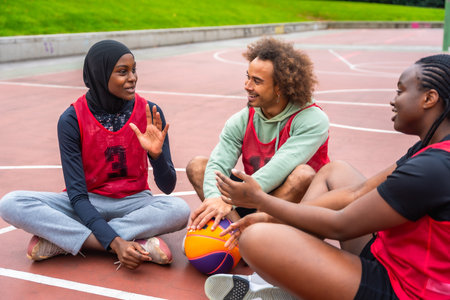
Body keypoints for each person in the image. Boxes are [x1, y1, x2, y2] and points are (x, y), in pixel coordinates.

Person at [206, 54, 450, 300]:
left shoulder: (433, 168)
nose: (393, 101)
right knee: (337, 170)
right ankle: (295, 281)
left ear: (429, 99)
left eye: (400, 91)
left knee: (255, 238)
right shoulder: (430, 149)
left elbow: (341, 225)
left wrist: (261, 201)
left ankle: (287, 283)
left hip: (404, 289)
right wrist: (269, 215)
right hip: (395, 257)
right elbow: (356, 192)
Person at [0, 40, 190, 270]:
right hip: (86, 202)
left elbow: (167, 186)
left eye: (134, 70)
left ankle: (66, 242)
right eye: (122, 72)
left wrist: (157, 156)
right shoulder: (71, 119)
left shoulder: (150, 112)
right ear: (100, 75)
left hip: (134, 202)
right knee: (11, 203)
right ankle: (133, 242)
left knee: (179, 210)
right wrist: (115, 242)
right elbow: (77, 196)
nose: (133, 78)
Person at [186, 37, 330, 231]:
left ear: (280, 86)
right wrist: (214, 199)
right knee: (198, 167)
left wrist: (228, 200)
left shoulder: (312, 119)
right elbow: (218, 163)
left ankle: (251, 234)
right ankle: (238, 235)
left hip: (298, 207)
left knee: (303, 174)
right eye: (248, 77)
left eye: (257, 81)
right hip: (256, 198)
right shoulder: (243, 119)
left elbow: (278, 169)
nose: (247, 85)